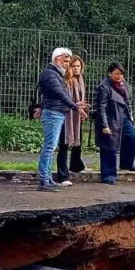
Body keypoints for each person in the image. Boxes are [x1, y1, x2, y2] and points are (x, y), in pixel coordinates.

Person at [37, 48, 87, 192]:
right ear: (57, 59)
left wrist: (74, 105)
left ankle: (47, 179)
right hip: (53, 113)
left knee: (51, 147)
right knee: (49, 147)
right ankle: (43, 180)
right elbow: (60, 94)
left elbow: (61, 95)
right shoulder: (50, 74)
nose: (67, 64)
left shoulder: (55, 74)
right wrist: (75, 107)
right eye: (65, 61)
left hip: (57, 113)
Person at [94, 62, 135, 185]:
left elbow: (128, 102)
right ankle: (108, 175)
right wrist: (104, 125)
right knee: (110, 145)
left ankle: (126, 163)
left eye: (121, 74)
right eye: (116, 74)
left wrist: (131, 117)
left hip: (124, 118)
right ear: (110, 74)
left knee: (132, 137)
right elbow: (101, 107)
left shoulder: (125, 86)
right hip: (111, 118)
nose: (119, 76)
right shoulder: (104, 87)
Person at [54, 55, 87, 186]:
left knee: (78, 142)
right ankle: (62, 175)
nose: (77, 69)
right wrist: (76, 106)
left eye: (79, 66)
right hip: (66, 116)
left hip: (77, 115)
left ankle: (76, 165)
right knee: (64, 145)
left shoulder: (80, 80)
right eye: (74, 66)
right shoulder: (65, 81)